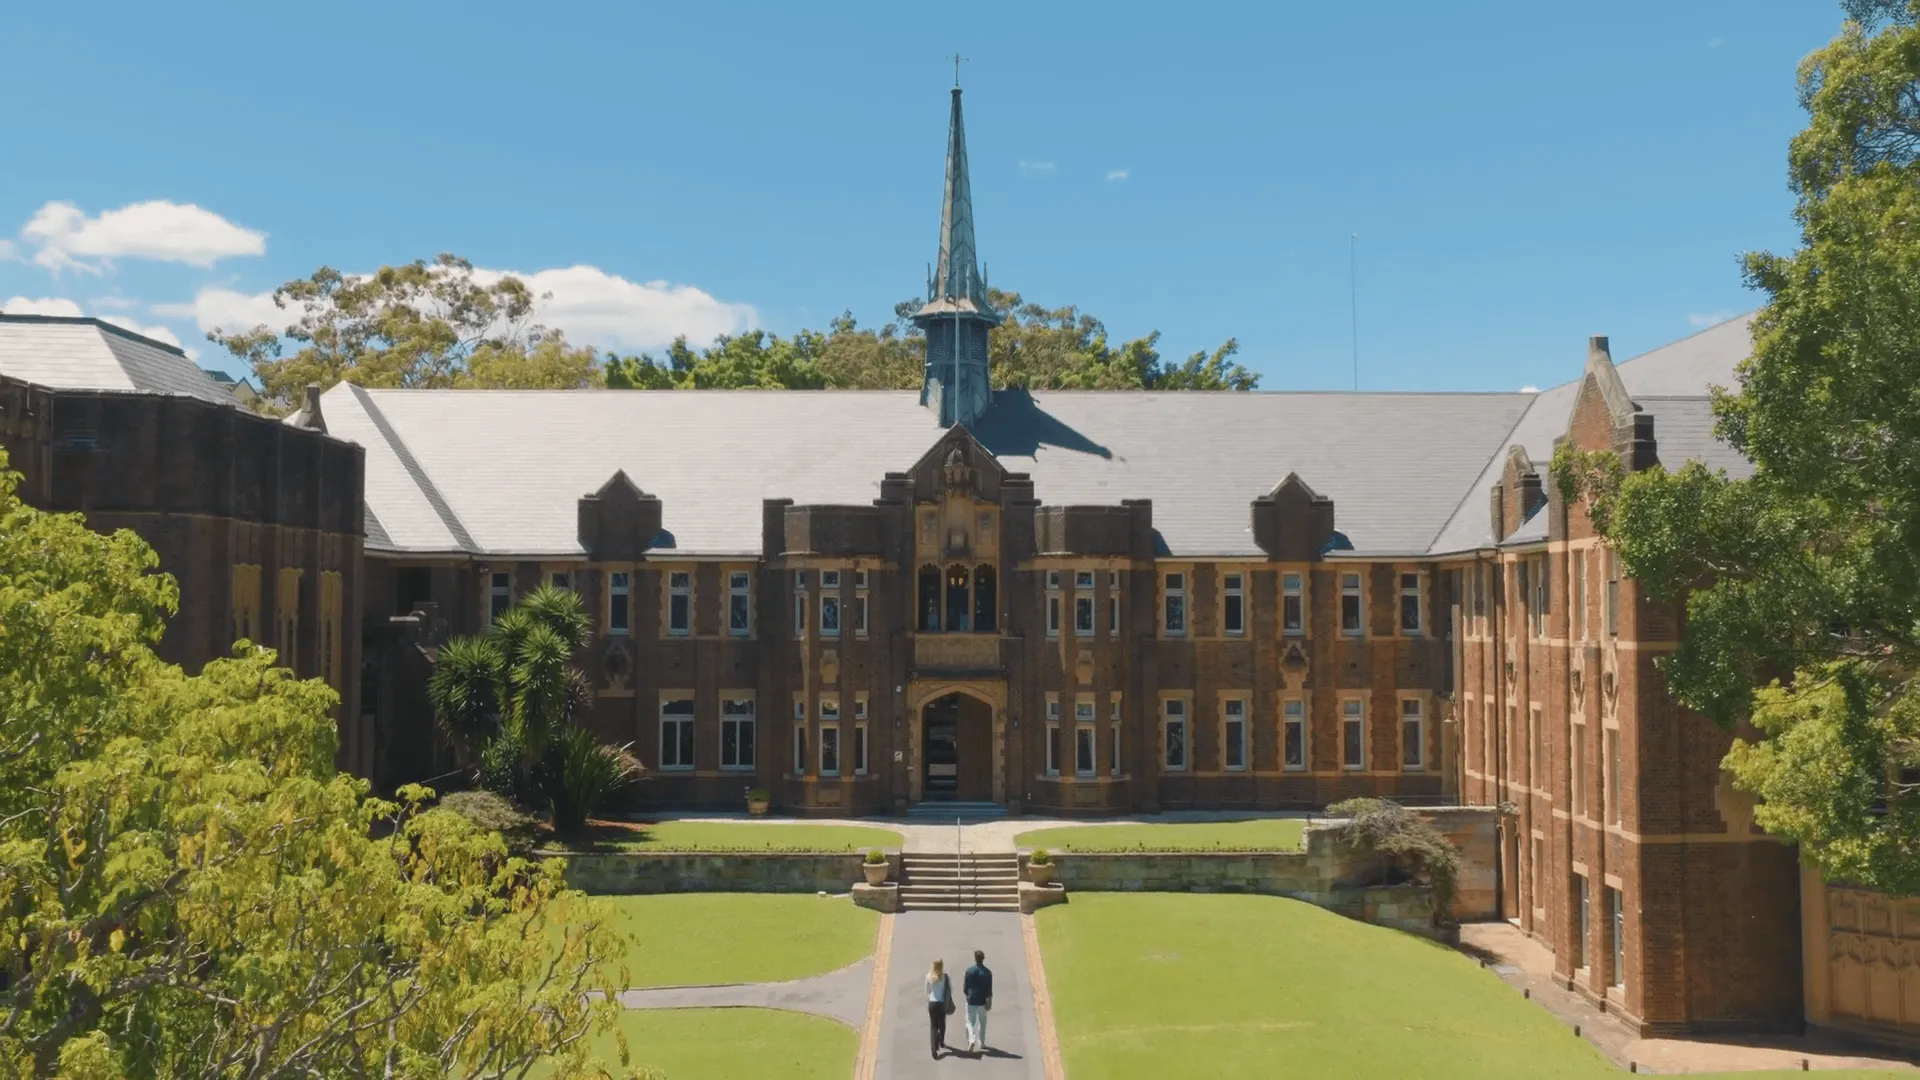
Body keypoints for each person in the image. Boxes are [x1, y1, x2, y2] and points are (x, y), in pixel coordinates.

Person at [963, 949, 993, 1053]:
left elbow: (965, 987)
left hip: (971, 999)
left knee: (970, 1021)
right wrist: (989, 1001)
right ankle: (982, 1042)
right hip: (982, 1000)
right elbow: (989, 990)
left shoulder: (969, 971)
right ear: (983, 959)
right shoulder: (987, 973)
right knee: (982, 1022)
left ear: (975, 959)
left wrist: (967, 995)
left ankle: (971, 1039)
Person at [925, 958, 954, 1058]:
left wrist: (930, 997)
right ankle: (941, 1041)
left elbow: (927, 990)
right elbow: (950, 989)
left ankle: (934, 1049)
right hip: (941, 1003)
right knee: (942, 1023)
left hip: (932, 1003)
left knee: (933, 1026)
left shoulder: (929, 976)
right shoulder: (945, 977)